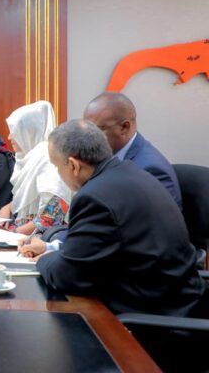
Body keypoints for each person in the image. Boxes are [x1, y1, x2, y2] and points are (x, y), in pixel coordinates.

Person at [30, 119, 205, 317]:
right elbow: (97, 248)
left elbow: (69, 277)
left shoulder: (94, 197)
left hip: (150, 317)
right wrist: (53, 248)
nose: (58, 173)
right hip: (177, 300)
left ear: (73, 165)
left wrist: (44, 259)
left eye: (56, 166)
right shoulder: (134, 174)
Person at [83, 91, 181, 208]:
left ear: (124, 127)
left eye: (97, 130)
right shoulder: (108, 155)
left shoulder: (150, 170)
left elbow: (158, 218)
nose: (88, 136)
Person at [0, 101, 72, 235]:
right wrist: (8, 208)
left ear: (30, 132)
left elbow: (50, 218)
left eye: (14, 132)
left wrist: (12, 235)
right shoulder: (29, 158)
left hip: (41, 241)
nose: (9, 137)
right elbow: (27, 197)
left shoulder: (49, 161)